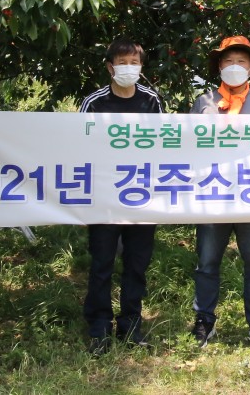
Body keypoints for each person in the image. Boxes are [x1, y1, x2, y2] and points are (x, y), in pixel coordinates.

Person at [189, 36, 250, 348]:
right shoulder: (203, 103)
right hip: (213, 195)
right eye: (228, 61)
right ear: (219, 67)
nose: (235, 66)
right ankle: (204, 320)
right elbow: (187, 146)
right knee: (207, 261)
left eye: (241, 61)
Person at [78, 39, 163, 355]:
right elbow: (80, 149)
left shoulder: (152, 101)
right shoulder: (94, 103)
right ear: (110, 67)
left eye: (134, 62)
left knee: (137, 264)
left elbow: (162, 148)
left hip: (142, 196)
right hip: (103, 197)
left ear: (141, 67)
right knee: (101, 263)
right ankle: (99, 327)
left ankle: (131, 325)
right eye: (122, 62)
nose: (128, 68)